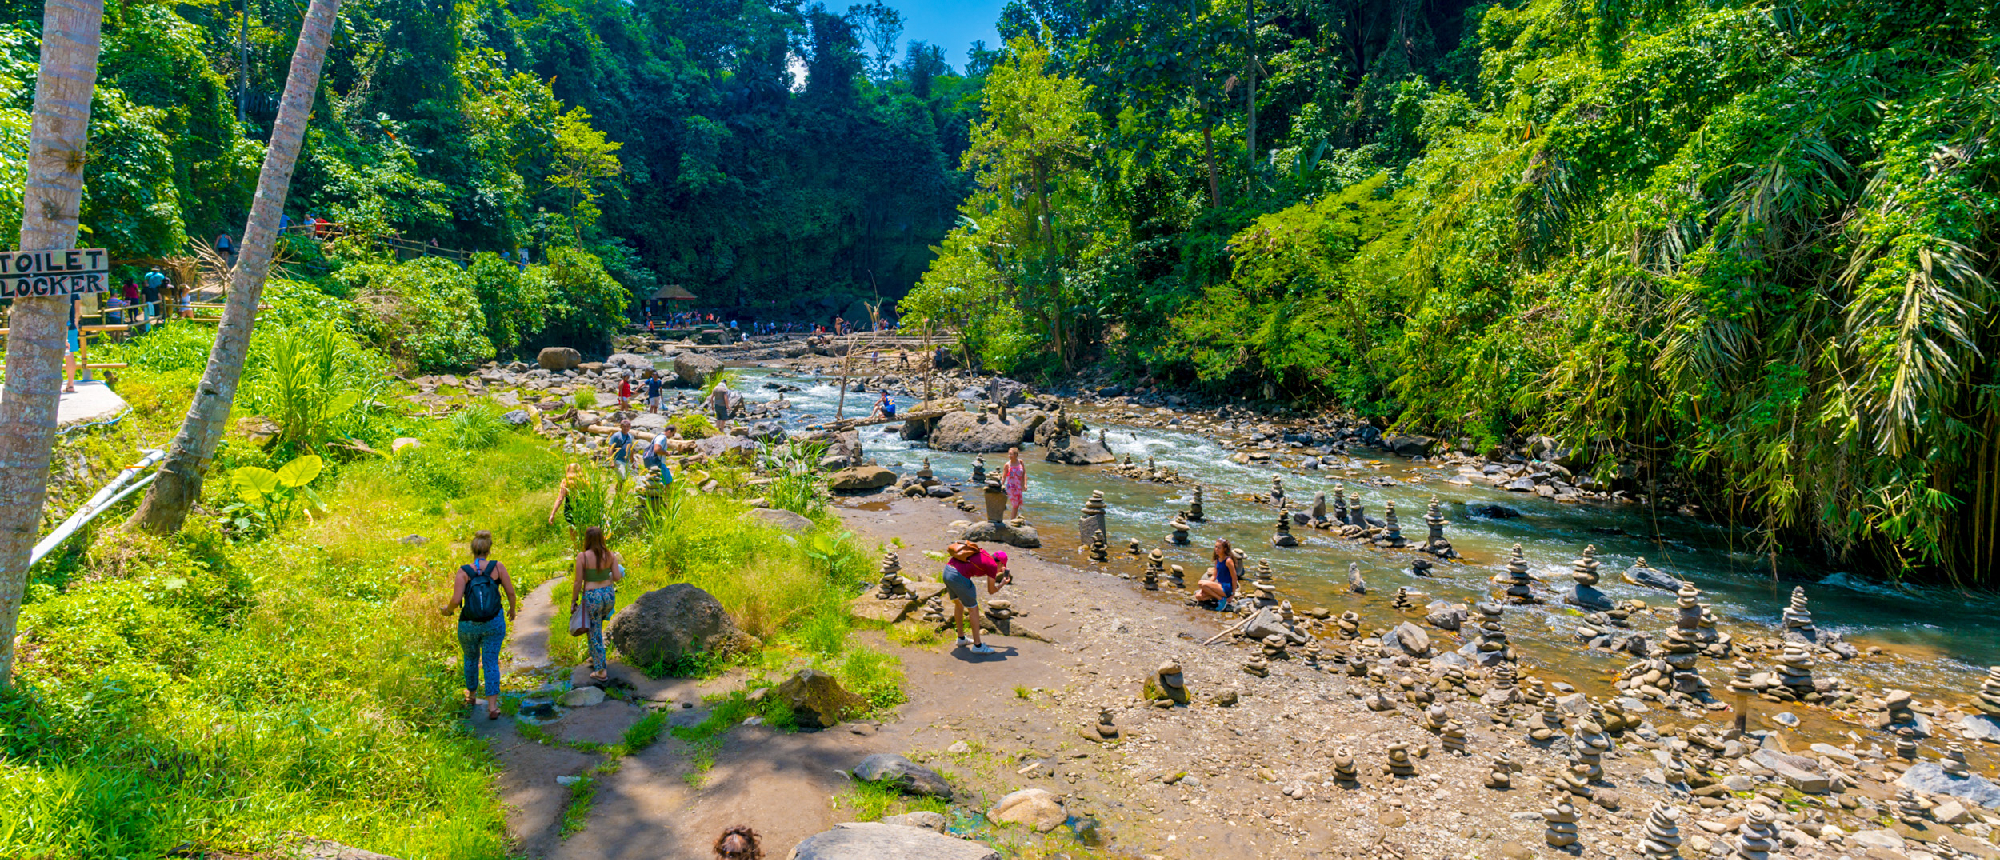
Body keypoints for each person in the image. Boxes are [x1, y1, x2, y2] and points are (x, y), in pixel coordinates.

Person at [440, 531, 518, 719]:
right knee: (490, 661)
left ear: (472, 550)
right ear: (489, 550)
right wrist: (512, 610)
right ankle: (492, 707)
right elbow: (511, 592)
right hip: (493, 622)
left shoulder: (464, 571)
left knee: (470, 658)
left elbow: (456, 599)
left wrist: (448, 610)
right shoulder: (498, 567)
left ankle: (472, 696)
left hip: (469, 624)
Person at [570, 526, 624, 683]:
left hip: (593, 596)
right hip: (608, 595)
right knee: (596, 626)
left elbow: (578, 581)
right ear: (602, 538)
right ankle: (596, 657)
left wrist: (574, 601)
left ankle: (601, 670)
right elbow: (617, 577)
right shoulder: (610, 555)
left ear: (587, 539)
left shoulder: (582, 557)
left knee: (594, 631)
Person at [942, 541, 1006, 653]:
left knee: (959, 604)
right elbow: (991, 591)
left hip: (947, 571)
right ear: (1000, 563)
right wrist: (1002, 584)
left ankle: (961, 638)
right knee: (973, 609)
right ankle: (977, 646)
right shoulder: (992, 566)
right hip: (958, 576)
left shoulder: (984, 554)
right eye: (1003, 566)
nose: (1002, 569)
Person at [1196, 539, 1241, 610]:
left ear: (1224, 549)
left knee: (1200, 583)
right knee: (1198, 596)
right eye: (1215, 547)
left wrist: (1232, 594)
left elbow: (1234, 577)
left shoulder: (1228, 561)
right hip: (1219, 587)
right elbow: (1214, 576)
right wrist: (1205, 588)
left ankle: (1221, 599)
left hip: (1226, 588)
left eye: (1219, 548)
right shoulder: (1217, 559)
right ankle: (1222, 598)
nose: (1216, 549)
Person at [1001, 447, 1027, 520]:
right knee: (1015, 505)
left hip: (1019, 487)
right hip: (1011, 487)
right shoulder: (1007, 465)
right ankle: (1012, 521)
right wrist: (1001, 485)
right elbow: (1003, 477)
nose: (1009, 456)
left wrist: (1025, 484)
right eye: (1009, 454)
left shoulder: (1020, 462)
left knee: (1017, 505)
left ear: (1016, 455)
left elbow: (1024, 473)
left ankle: (1013, 519)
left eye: (1011, 454)